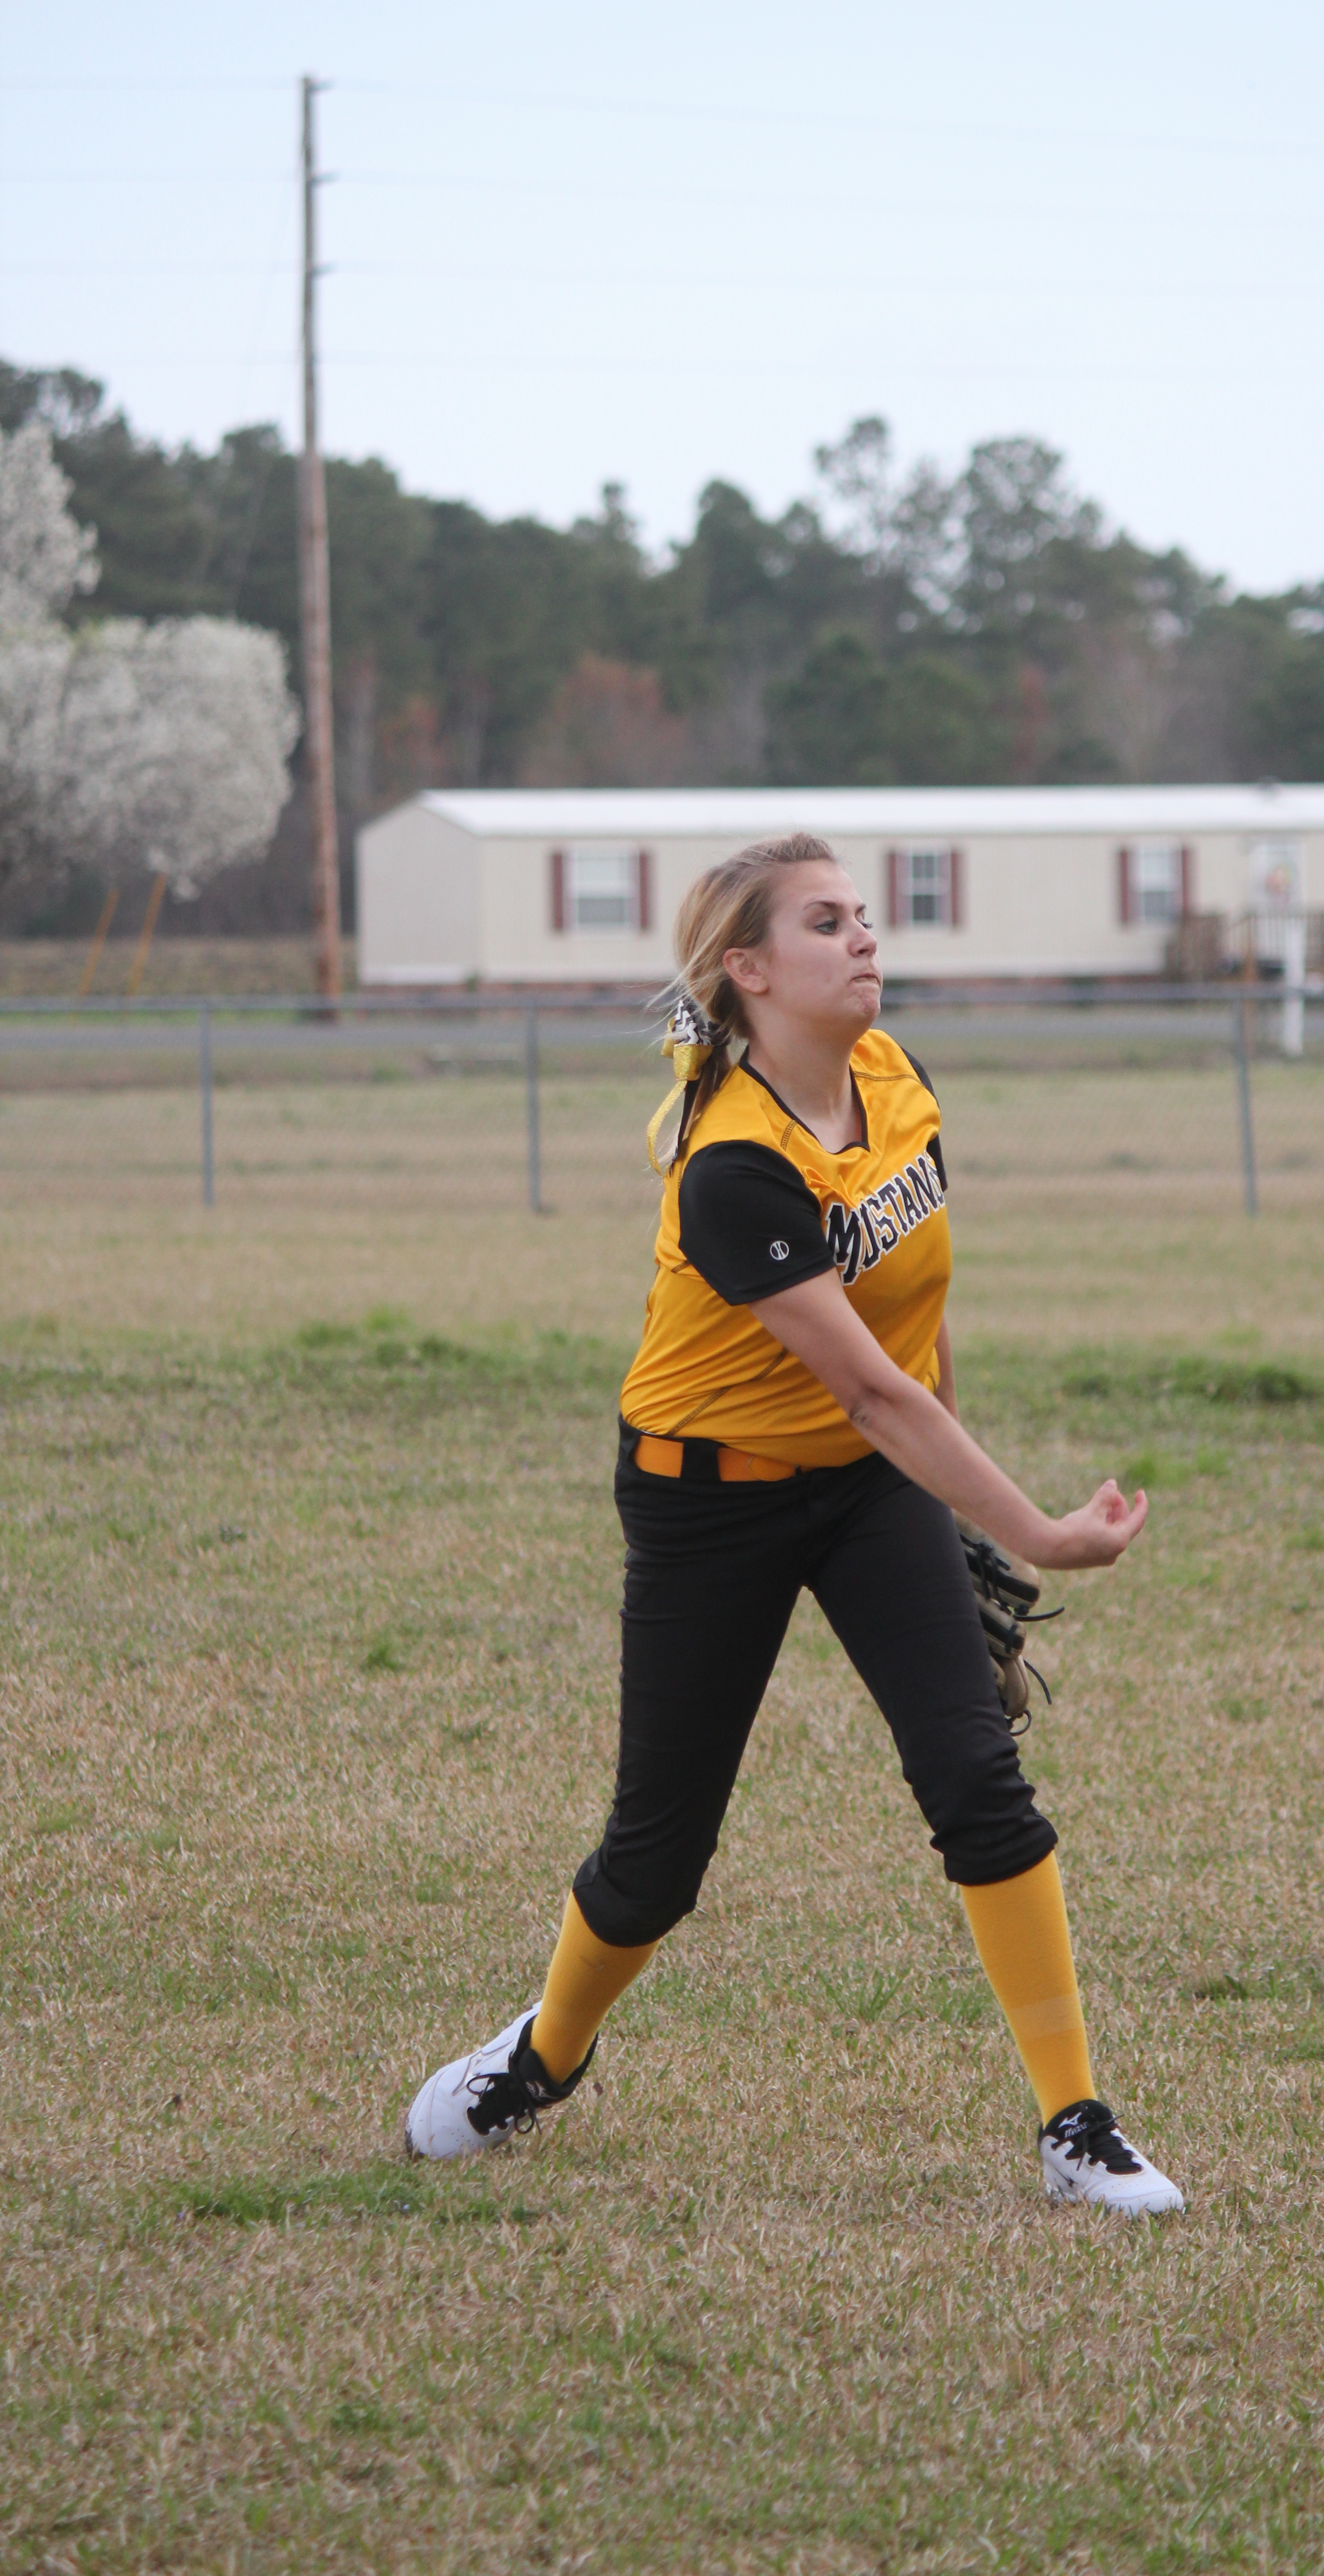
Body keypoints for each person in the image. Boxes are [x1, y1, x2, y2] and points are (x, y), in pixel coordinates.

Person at [405, 833, 1183, 2216]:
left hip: (868, 1482)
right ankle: (541, 2055)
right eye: (828, 923)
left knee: (978, 1786)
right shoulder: (734, 1165)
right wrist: (1038, 1533)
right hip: (709, 1500)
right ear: (750, 971)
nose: (866, 938)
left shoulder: (896, 1077)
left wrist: (954, 1521)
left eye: (866, 915)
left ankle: (1078, 2125)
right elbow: (871, 1388)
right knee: (656, 1863)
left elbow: (914, 1319)